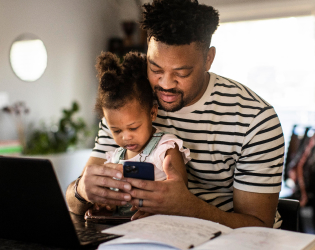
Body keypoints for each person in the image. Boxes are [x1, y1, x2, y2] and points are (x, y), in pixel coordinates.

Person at [66, 0, 284, 229]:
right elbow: (74, 203)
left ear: (208, 58)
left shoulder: (255, 120)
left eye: (182, 73)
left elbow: (259, 227)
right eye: (155, 69)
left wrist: (187, 208)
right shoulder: (130, 103)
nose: (166, 84)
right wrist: (82, 190)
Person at [86, 51, 190, 219]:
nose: (126, 137)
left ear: (152, 113)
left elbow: (180, 196)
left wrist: (157, 208)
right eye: (117, 131)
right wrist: (105, 205)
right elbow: (113, 198)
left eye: (133, 128)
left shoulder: (165, 149)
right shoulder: (115, 158)